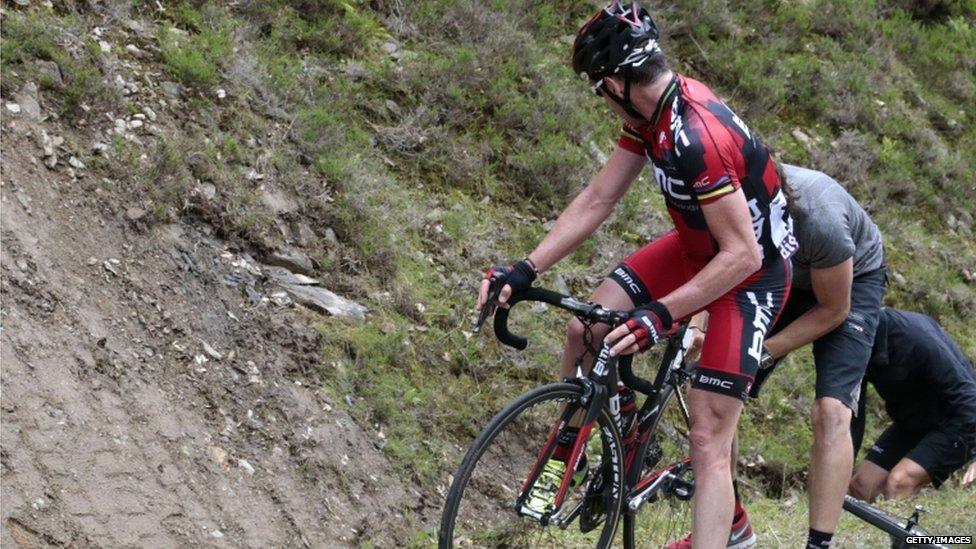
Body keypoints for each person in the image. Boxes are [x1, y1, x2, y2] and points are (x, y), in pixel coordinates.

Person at [477, 3, 795, 547]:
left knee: (708, 438)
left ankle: (729, 536)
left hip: (750, 275)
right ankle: (588, 443)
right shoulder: (649, 117)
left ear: (618, 82)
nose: (599, 98)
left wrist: (662, 314)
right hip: (697, 247)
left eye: (597, 86)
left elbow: (741, 255)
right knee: (586, 329)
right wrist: (527, 267)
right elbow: (600, 197)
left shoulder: (696, 136)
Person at [744, 164, 887, 549]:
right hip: (788, 273)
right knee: (721, 387)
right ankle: (731, 521)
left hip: (851, 283)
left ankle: (818, 543)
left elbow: (832, 311)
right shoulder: (730, 200)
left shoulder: (820, 217)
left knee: (831, 411)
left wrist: (766, 351)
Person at [848, 307, 976, 501]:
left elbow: (967, 393)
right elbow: (854, 412)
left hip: (958, 420)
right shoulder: (853, 343)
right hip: (913, 421)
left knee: (899, 482)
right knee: (862, 486)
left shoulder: (917, 338)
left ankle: (906, 532)